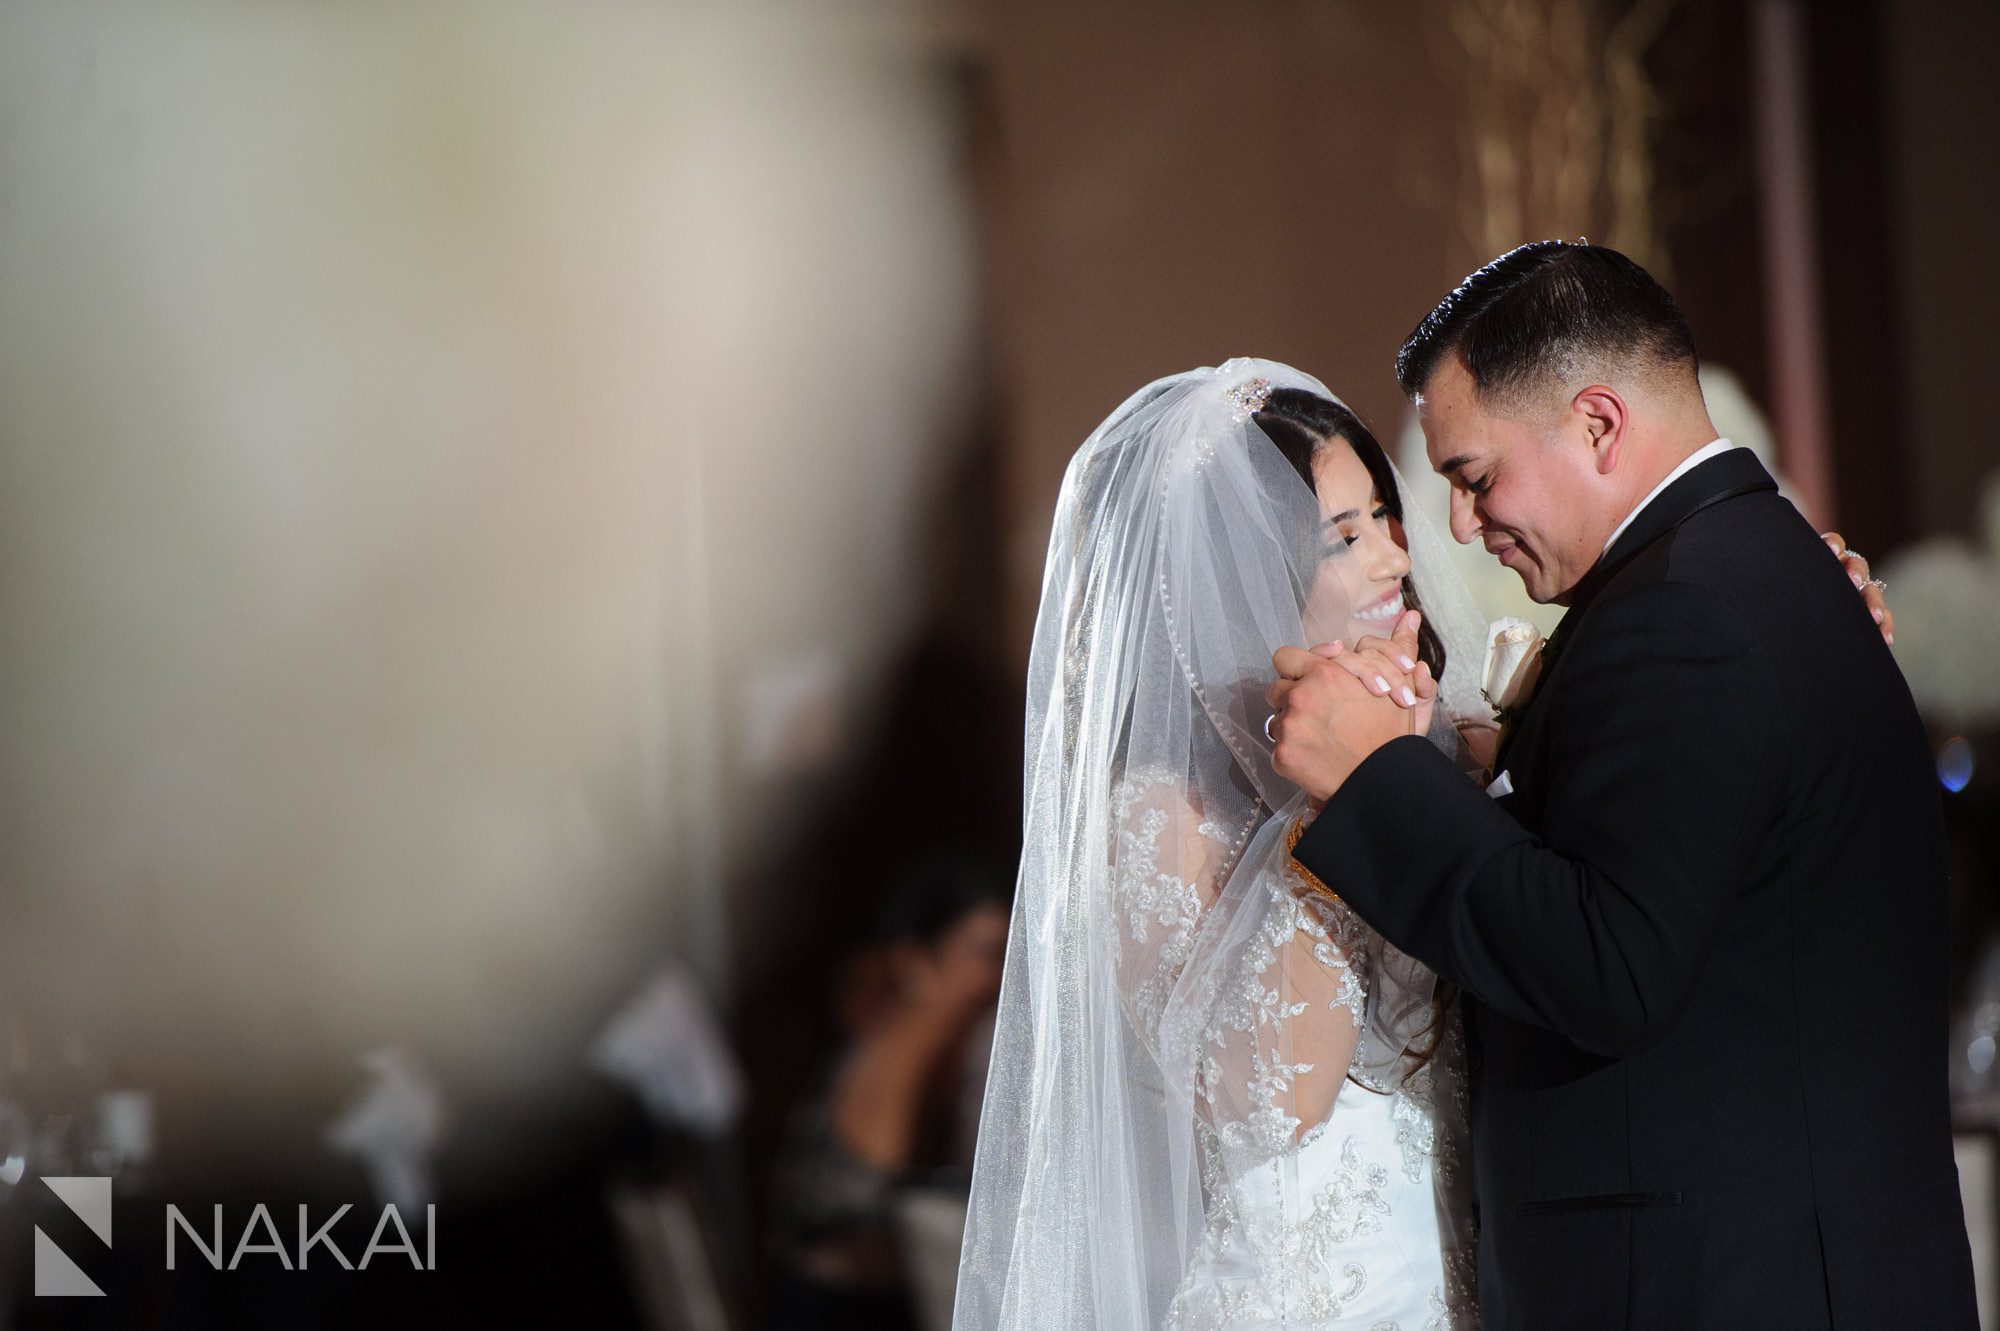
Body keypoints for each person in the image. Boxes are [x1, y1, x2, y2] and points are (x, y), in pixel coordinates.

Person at [1267, 242, 1977, 1328]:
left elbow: (1608, 961)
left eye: (1472, 476)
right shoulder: (1754, 565)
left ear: (1596, 423)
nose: (1457, 525)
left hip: (1724, 1284)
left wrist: (1375, 779)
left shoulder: (1680, 615)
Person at [772, 857, 1010, 1331]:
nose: (1000, 977)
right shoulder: (921, 1037)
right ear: (915, 960)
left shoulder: (885, 1030)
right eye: (983, 953)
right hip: (843, 1309)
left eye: (1009, 955)